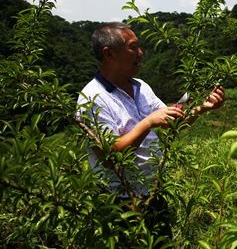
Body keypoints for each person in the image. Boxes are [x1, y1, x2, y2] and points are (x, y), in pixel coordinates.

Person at [77, 22, 225, 198]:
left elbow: (173, 124)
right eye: (133, 47)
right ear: (109, 54)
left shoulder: (142, 87)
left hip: (153, 190)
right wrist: (148, 122)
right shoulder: (92, 98)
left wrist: (202, 109)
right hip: (118, 198)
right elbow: (110, 157)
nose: (141, 53)